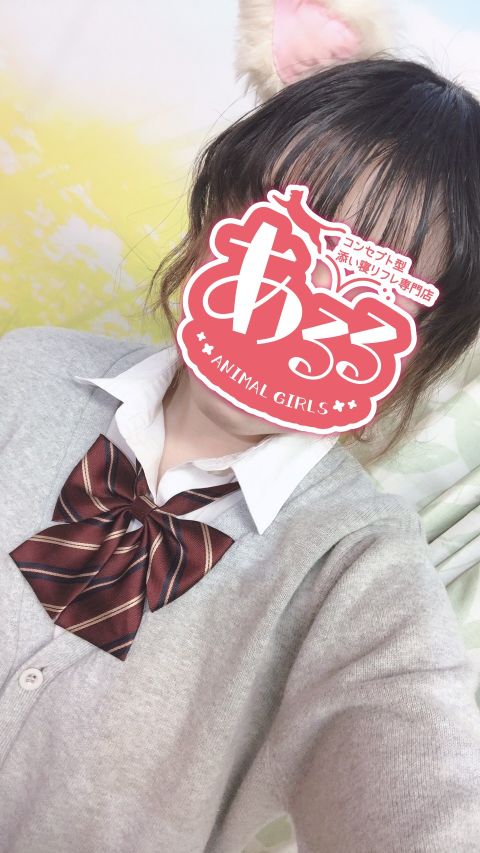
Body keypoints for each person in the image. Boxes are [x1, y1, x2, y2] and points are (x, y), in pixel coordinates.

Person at [1, 58, 480, 853]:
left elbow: (428, 784)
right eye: (285, 239)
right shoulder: (23, 372)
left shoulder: (358, 567)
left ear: (415, 353)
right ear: (210, 226)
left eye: (369, 288)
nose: (304, 300)